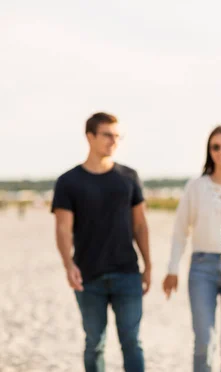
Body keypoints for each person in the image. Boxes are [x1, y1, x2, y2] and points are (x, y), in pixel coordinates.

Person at [52, 112, 151, 372]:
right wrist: (68, 264)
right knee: (94, 342)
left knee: (132, 342)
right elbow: (63, 229)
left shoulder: (129, 177)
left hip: (128, 274)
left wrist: (148, 265)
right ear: (90, 136)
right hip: (88, 276)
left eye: (117, 136)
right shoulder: (68, 181)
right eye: (108, 135)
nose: (114, 141)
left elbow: (140, 225)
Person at [162, 125, 221, 372]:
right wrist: (172, 269)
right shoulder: (196, 187)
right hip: (202, 269)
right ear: (209, 151)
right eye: (215, 147)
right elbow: (180, 231)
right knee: (204, 341)